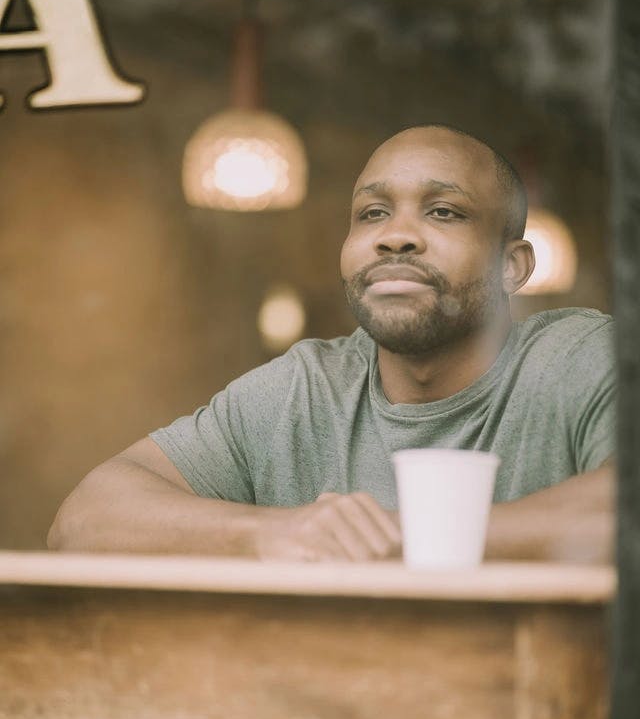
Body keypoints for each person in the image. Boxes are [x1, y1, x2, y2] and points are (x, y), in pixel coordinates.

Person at [48, 124, 614, 563]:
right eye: (372, 213)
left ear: (511, 266)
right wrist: (275, 532)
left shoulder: (579, 358)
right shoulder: (306, 388)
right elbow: (83, 520)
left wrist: (395, 540)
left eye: (444, 211)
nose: (395, 235)